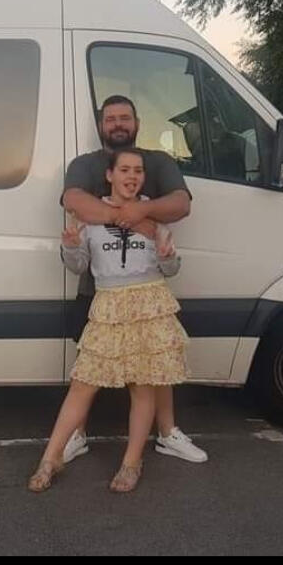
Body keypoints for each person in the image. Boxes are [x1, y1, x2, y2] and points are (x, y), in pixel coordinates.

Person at [28, 148, 189, 492]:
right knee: (83, 383)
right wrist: (72, 246)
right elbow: (78, 266)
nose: (132, 177)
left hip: (149, 305)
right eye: (125, 170)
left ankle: (131, 463)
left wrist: (167, 256)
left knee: (142, 386)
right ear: (110, 175)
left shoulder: (153, 216)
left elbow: (171, 269)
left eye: (138, 171)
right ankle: (50, 458)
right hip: (108, 307)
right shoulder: (91, 216)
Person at [60, 95, 207, 466]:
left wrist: (140, 209)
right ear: (100, 125)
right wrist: (133, 218)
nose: (118, 124)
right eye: (110, 119)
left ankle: (167, 433)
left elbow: (181, 204)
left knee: (157, 364)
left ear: (137, 123)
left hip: (146, 291)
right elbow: (74, 200)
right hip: (98, 291)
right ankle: (76, 434)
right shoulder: (84, 164)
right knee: (89, 367)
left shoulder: (158, 162)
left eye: (125, 117)